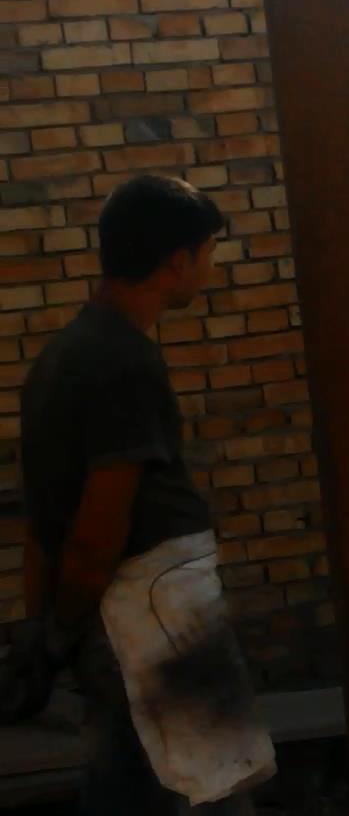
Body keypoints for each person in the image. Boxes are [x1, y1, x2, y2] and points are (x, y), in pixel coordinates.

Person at [19, 175, 274, 814]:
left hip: (114, 621)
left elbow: (41, 520)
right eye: (207, 253)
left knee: (132, 784)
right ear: (176, 261)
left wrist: (46, 629)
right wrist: (63, 627)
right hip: (147, 616)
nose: (209, 269)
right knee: (211, 787)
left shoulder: (63, 356)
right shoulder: (121, 363)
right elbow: (99, 525)